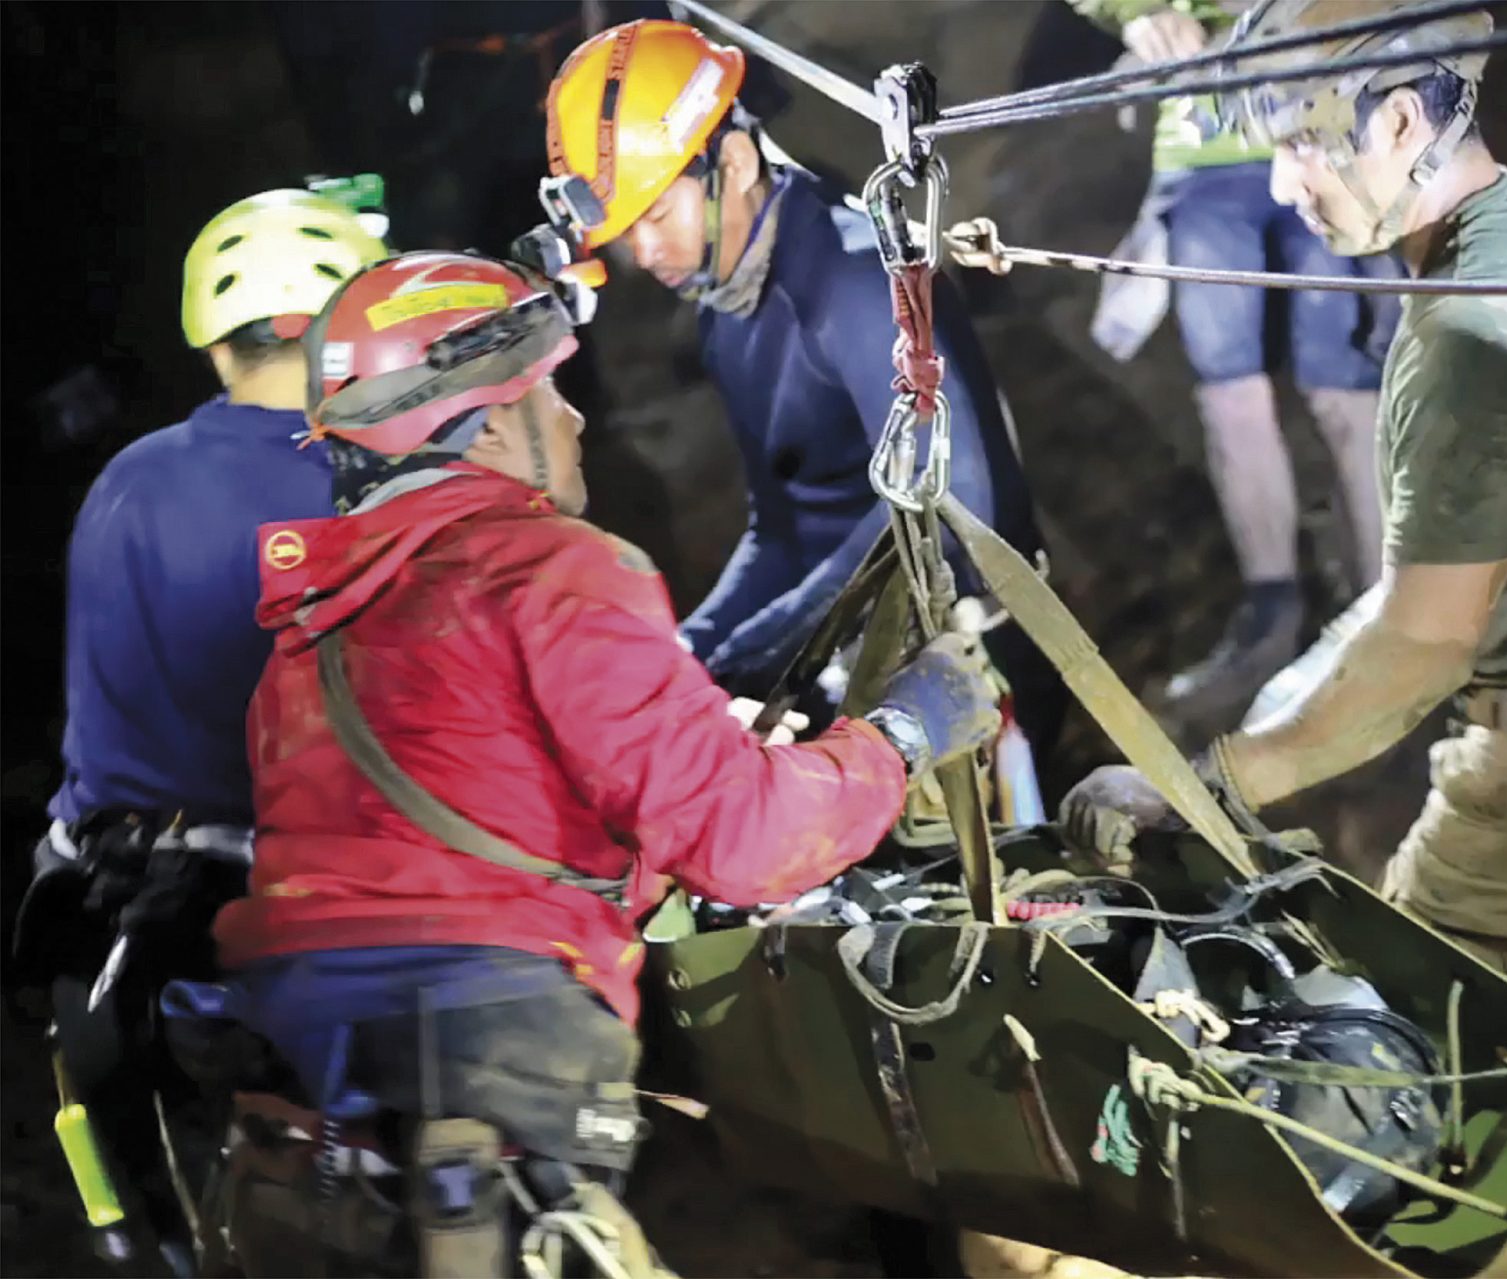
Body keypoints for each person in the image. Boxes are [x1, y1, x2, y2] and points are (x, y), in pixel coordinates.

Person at [208, 250, 1002, 1276]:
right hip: (492, 1060)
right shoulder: (555, 569)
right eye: (550, 392)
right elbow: (747, 839)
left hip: (301, 1076)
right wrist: (901, 736)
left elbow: (449, 837)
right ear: (490, 425)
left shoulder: (308, 634)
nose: (577, 420)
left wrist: (686, 779)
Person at [1061, 0, 1507, 1008]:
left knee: (1409, 1064)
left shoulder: (1468, 337)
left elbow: (1422, 643)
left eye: (1302, 142)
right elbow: (1416, 595)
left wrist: (1205, 784)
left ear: (1396, 123)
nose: (1282, 184)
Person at [11, 188, 388, 1267]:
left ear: (216, 344)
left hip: (101, 919)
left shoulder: (122, 480)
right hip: (288, 938)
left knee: (155, 1233)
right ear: (341, 335)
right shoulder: (366, 489)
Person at [541, 18, 1065, 760]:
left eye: (656, 213)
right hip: (858, 661)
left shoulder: (855, 283)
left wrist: (764, 645)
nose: (645, 252)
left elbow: (950, 513)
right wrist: (695, 649)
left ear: (737, 159)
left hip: (973, 673)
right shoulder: (727, 303)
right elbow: (783, 525)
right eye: (627, 232)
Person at [1069, 0, 1402, 737]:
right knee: (1230, 391)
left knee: (1345, 386)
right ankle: (1272, 614)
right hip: (1203, 148)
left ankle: (1393, 619)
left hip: (1327, 120)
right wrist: (1138, 12)